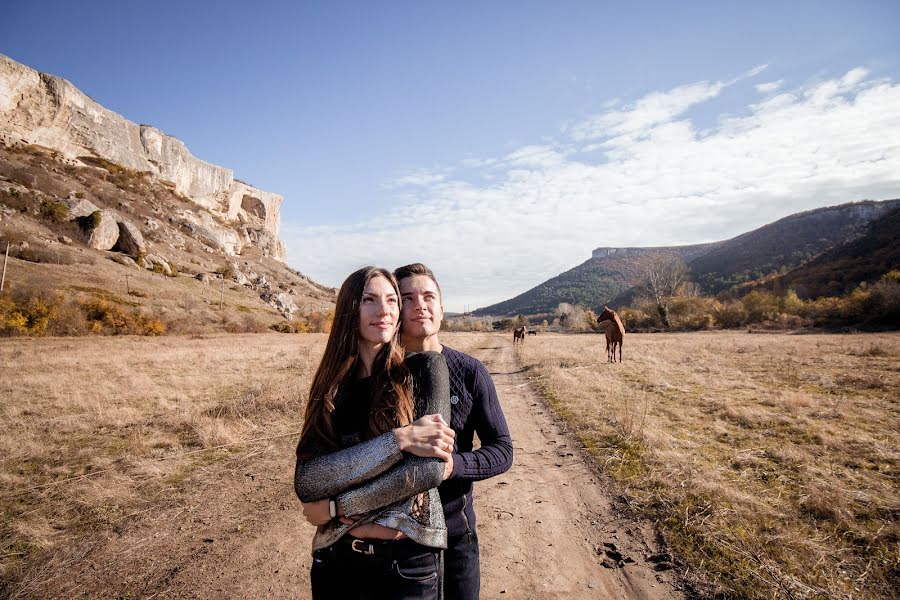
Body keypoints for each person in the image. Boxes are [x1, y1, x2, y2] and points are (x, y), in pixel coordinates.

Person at [294, 266, 457, 600]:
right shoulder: (332, 386)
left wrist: (337, 507)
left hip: (408, 567)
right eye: (369, 300)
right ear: (349, 309)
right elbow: (308, 481)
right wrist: (400, 440)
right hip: (337, 562)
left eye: (391, 300)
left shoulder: (424, 369)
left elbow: (428, 470)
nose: (383, 310)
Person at [394, 263, 514, 600]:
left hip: (456, 535)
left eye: (429, 296)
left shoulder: (471, 371)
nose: (420, 304)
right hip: (396, 541)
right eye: (407, 298)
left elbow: (502, 449)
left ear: (442, 308)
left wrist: (453, 467)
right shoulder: (379, 375)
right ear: (395, 308)